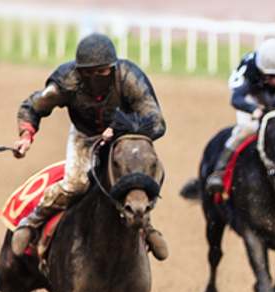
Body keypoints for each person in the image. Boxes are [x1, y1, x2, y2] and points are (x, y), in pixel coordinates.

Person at [11, 32, 168, 260]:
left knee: (137, 178)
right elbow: (33, 106)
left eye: (102, 71)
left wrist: (118, 130)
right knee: (76, 184)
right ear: (79, 71)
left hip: (124, 138)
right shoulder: (66, 81)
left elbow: (156, 121)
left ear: (113, 68)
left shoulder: (129, 77)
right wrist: (26, 136)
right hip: (84, 135)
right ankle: (33, 220)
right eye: (89, 73)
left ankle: (146, 225)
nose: (96, 78)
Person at [204, 38, 275, 196]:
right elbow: (236, 99)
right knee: (246, 129)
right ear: (261, 70)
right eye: (270, 76)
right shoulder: (251, 68)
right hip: (251, 95)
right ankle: (219, 171)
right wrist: (254, 109)